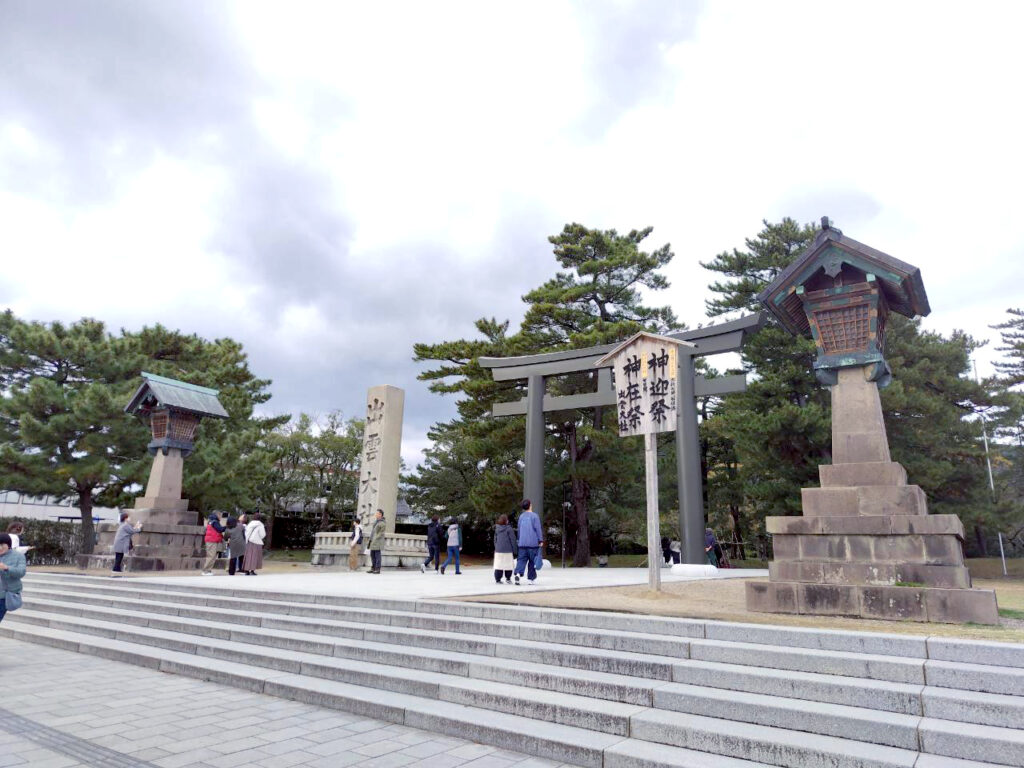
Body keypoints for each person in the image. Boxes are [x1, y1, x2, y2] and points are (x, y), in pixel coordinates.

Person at [513, 499, 543, 586]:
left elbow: (519, 530)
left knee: (521, 560)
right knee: (532, 561)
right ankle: (531, 579)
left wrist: (519, 540)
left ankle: (518, 574)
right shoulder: (535, 516)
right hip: (533, 543)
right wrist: (540, 540)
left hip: (522, 543)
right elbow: (538, 529)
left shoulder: (521, 517)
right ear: (530, 506)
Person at [0, 533, 27, 624]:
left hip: (4, 595)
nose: (0, 548)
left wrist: (7, 568)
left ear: (8, 544)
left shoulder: (18, 556)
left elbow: (21, 572)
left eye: (2, 545)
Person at [111, 512, 142, 576]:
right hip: (121, 543)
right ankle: (116, 569)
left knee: (118, 556)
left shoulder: (123, 525)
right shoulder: (126, 525)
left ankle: (117, 569)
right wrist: (139, 528)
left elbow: (130, 530)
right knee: (119, 556)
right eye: (128, 517)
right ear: (125, 518)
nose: (130, 518)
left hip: (119, 542)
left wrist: (136, 526)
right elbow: (132, 531)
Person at [492, 514, 517, 584]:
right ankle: (508, 578)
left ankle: (498, 579)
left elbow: (495, 540)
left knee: (498, 565)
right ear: (506, 521)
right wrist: (515, 550)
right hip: (508, 550)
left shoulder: (497, 529)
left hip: (498, 550)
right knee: (508, 565)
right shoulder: (509, 529)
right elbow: (513, 540)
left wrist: (496, 547)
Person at [367, 509, 386, 574]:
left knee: (377, 555)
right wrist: (371, 539)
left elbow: (381, 533)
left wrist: (375, 538)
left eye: (377, 513)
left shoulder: (382, 523)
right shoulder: (376, 522)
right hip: (373, 540)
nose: (376, 514)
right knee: (372, 555)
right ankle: (373, 567)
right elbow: (373, 532)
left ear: (380, 514)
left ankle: (377, 569)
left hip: (377, 541)